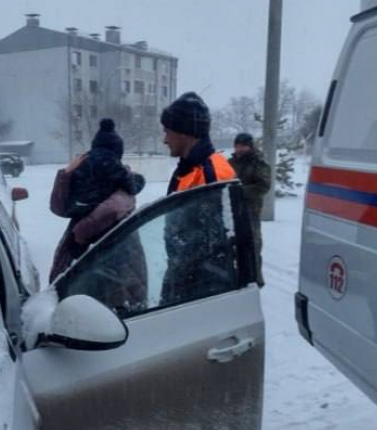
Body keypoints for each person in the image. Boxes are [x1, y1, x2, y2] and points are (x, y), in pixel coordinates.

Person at [49, 119, 146, 291]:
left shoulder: (120, 190)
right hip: (104, 260)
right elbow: (59, 208)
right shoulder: (121, 177)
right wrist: (65, 174)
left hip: (113, 261)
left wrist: (81, 231)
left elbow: (114, 208)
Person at [159, 92, 238, 304]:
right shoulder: (188, 169)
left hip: (201, 292)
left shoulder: (212, 174)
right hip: (185, 282)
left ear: (184, 132)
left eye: (167, 131)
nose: (164, 139)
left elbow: (214, 246)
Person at [229, 132, 271, 287]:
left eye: (243, 146)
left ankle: (256, 279)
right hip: (232, 210)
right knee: (233, 245)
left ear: (250, 147)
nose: (239, 149)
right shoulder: (231, 162)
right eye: (237, 145)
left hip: (250, 210)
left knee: (253, 244)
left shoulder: (258, 164)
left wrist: (240, 191)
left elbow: (263, 186)